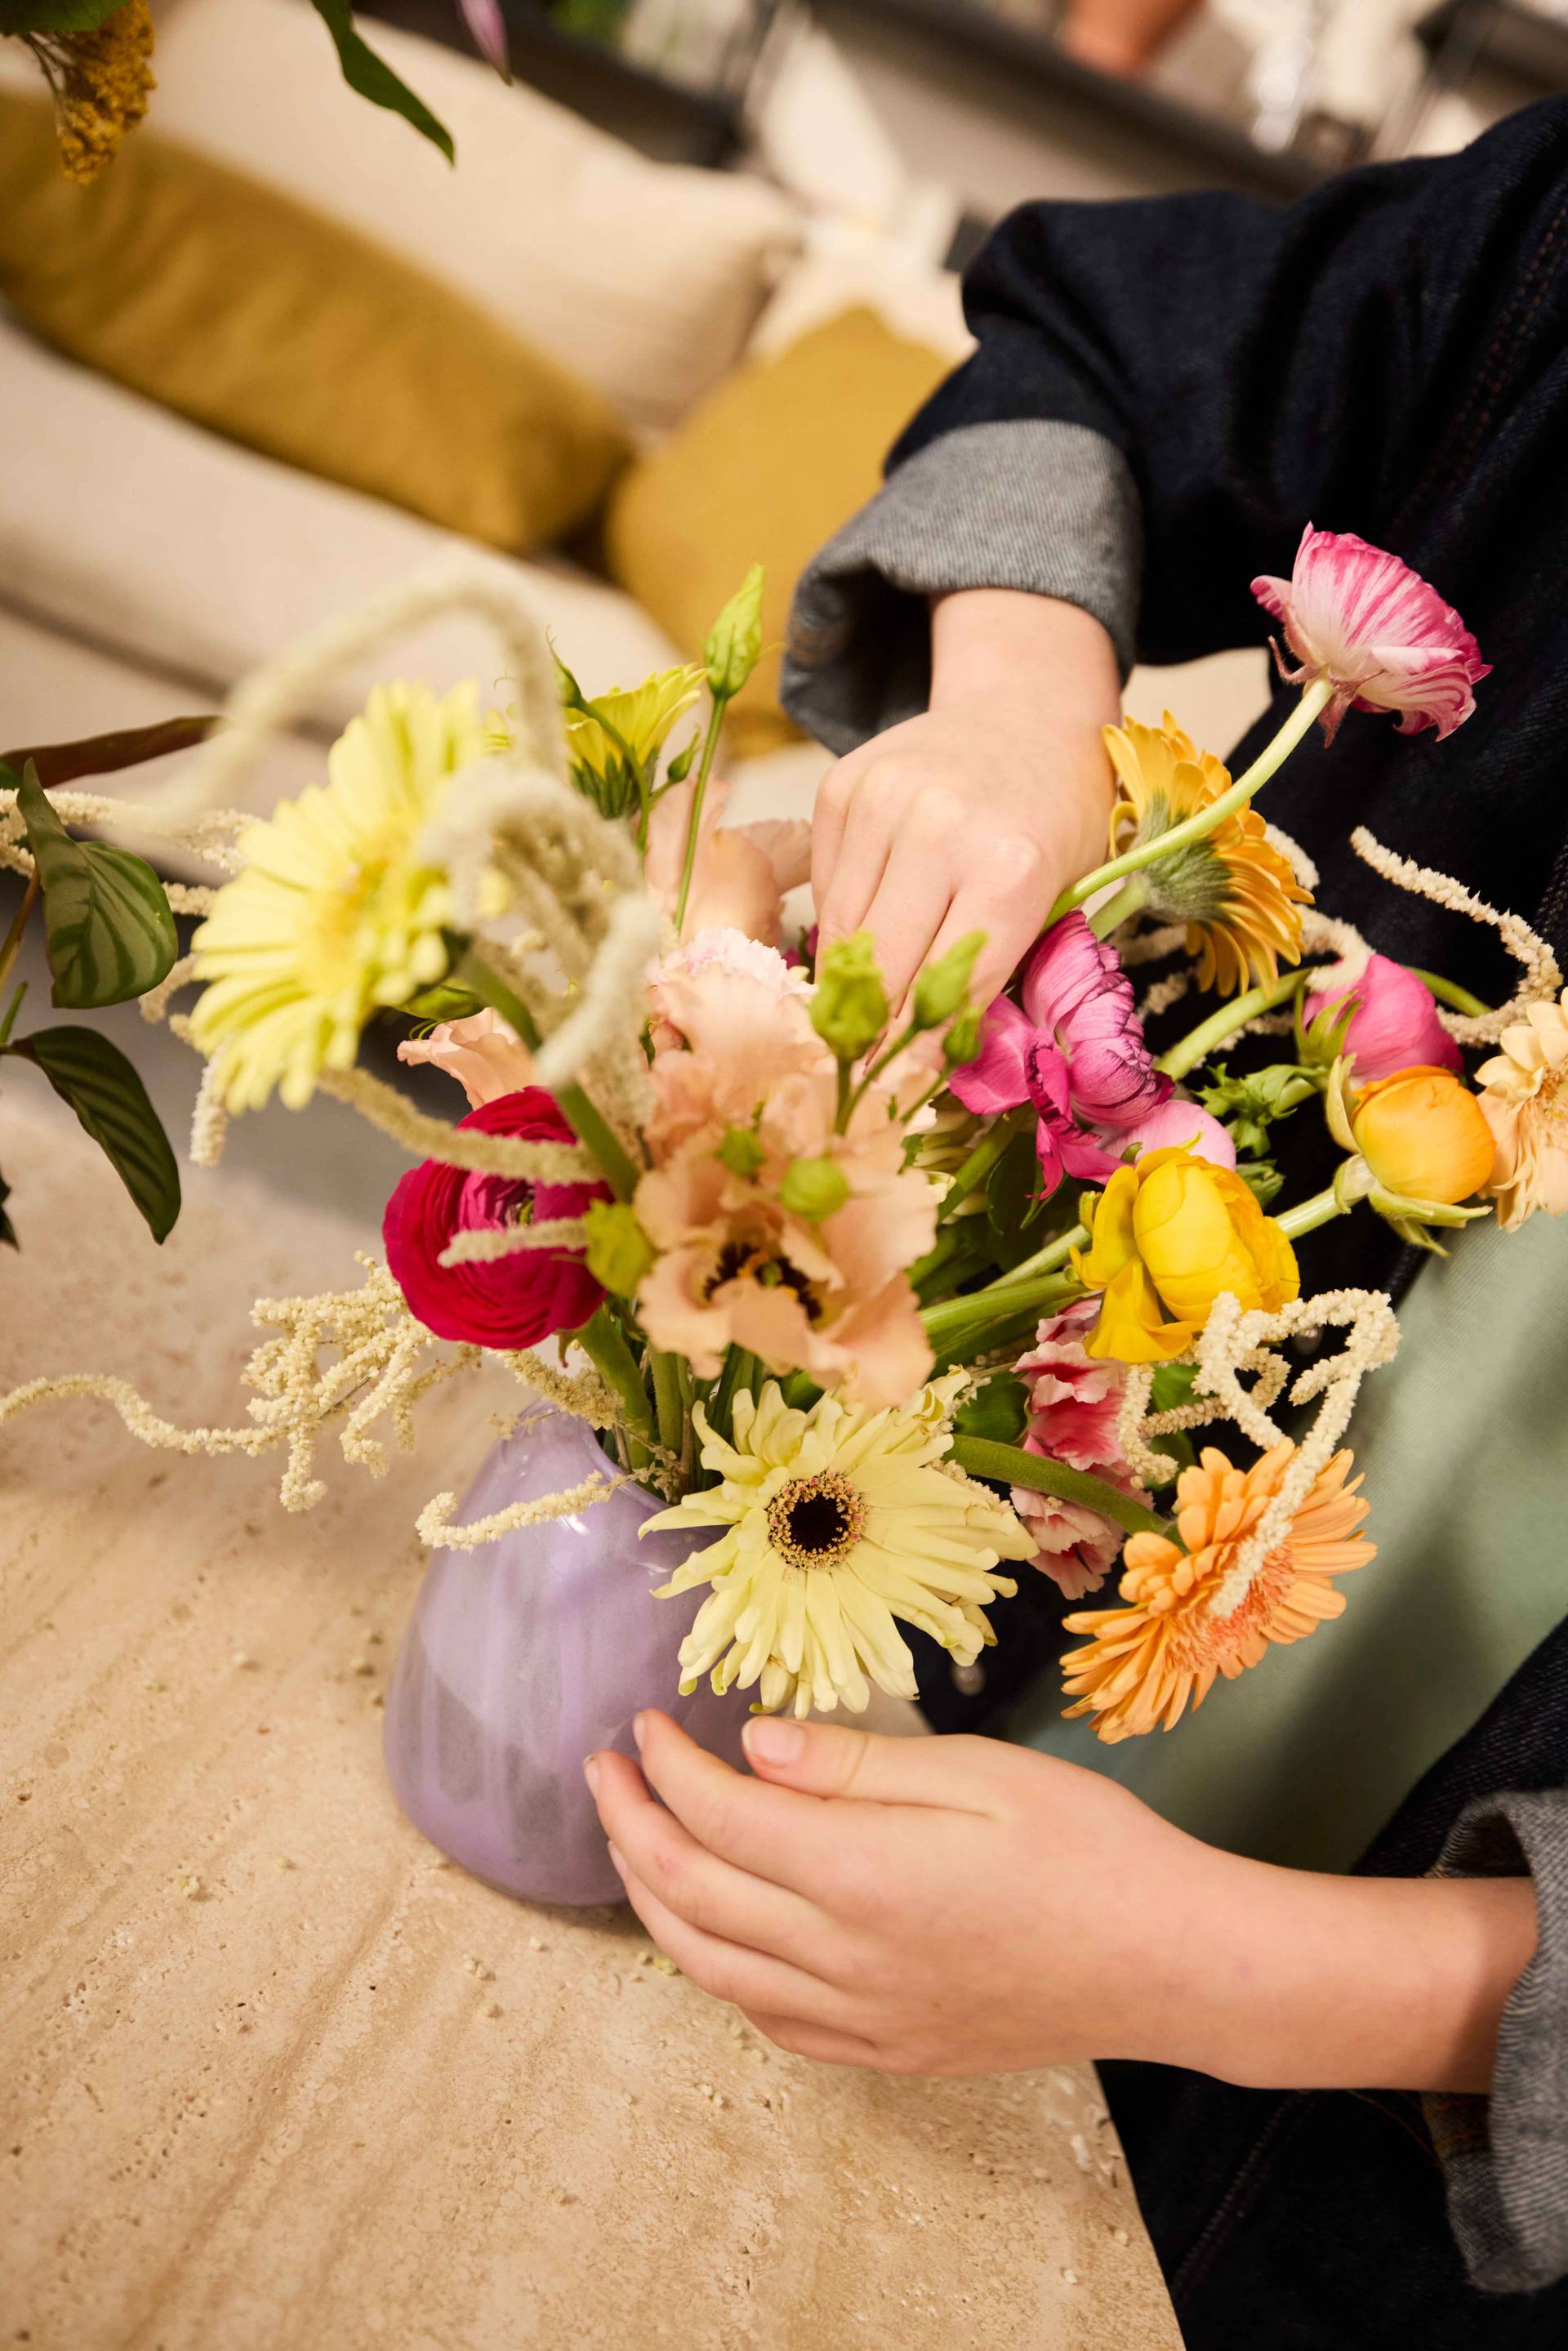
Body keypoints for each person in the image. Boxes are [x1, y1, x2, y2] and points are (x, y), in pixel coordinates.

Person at [587, 100, 1568, 2344]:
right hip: (977, 1586)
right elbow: (1108, 337)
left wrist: (1227, 1968)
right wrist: (1020, 705)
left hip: (1354, 2203)